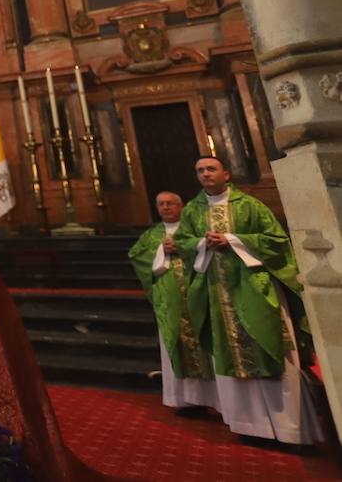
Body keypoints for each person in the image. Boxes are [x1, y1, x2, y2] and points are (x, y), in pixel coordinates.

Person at [175, 156, 324, 443]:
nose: (205, 174)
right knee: (231, 358)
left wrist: (232, 240)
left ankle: (290, 430)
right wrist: (202, 243)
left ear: (226, 174)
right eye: (200, 171)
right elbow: (183, 243)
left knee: (272, 352)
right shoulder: (193, 211)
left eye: (211, 169)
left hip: (254, 291)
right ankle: (248, 426)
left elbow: (278, 242)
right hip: (219, 294)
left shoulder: (250, 206)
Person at [127, 191, 217, 412]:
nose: (166, 208)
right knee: (176, 342)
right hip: (171, 299)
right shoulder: (151, 235)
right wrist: (161, 250)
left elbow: (209, 246)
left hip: (198, 295)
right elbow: (136, 255)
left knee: (206, 341)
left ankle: (215, 398)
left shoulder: (194, 227)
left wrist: (185, 247)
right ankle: (183, 400)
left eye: (170, 204)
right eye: (161, 204)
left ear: (181, 206)